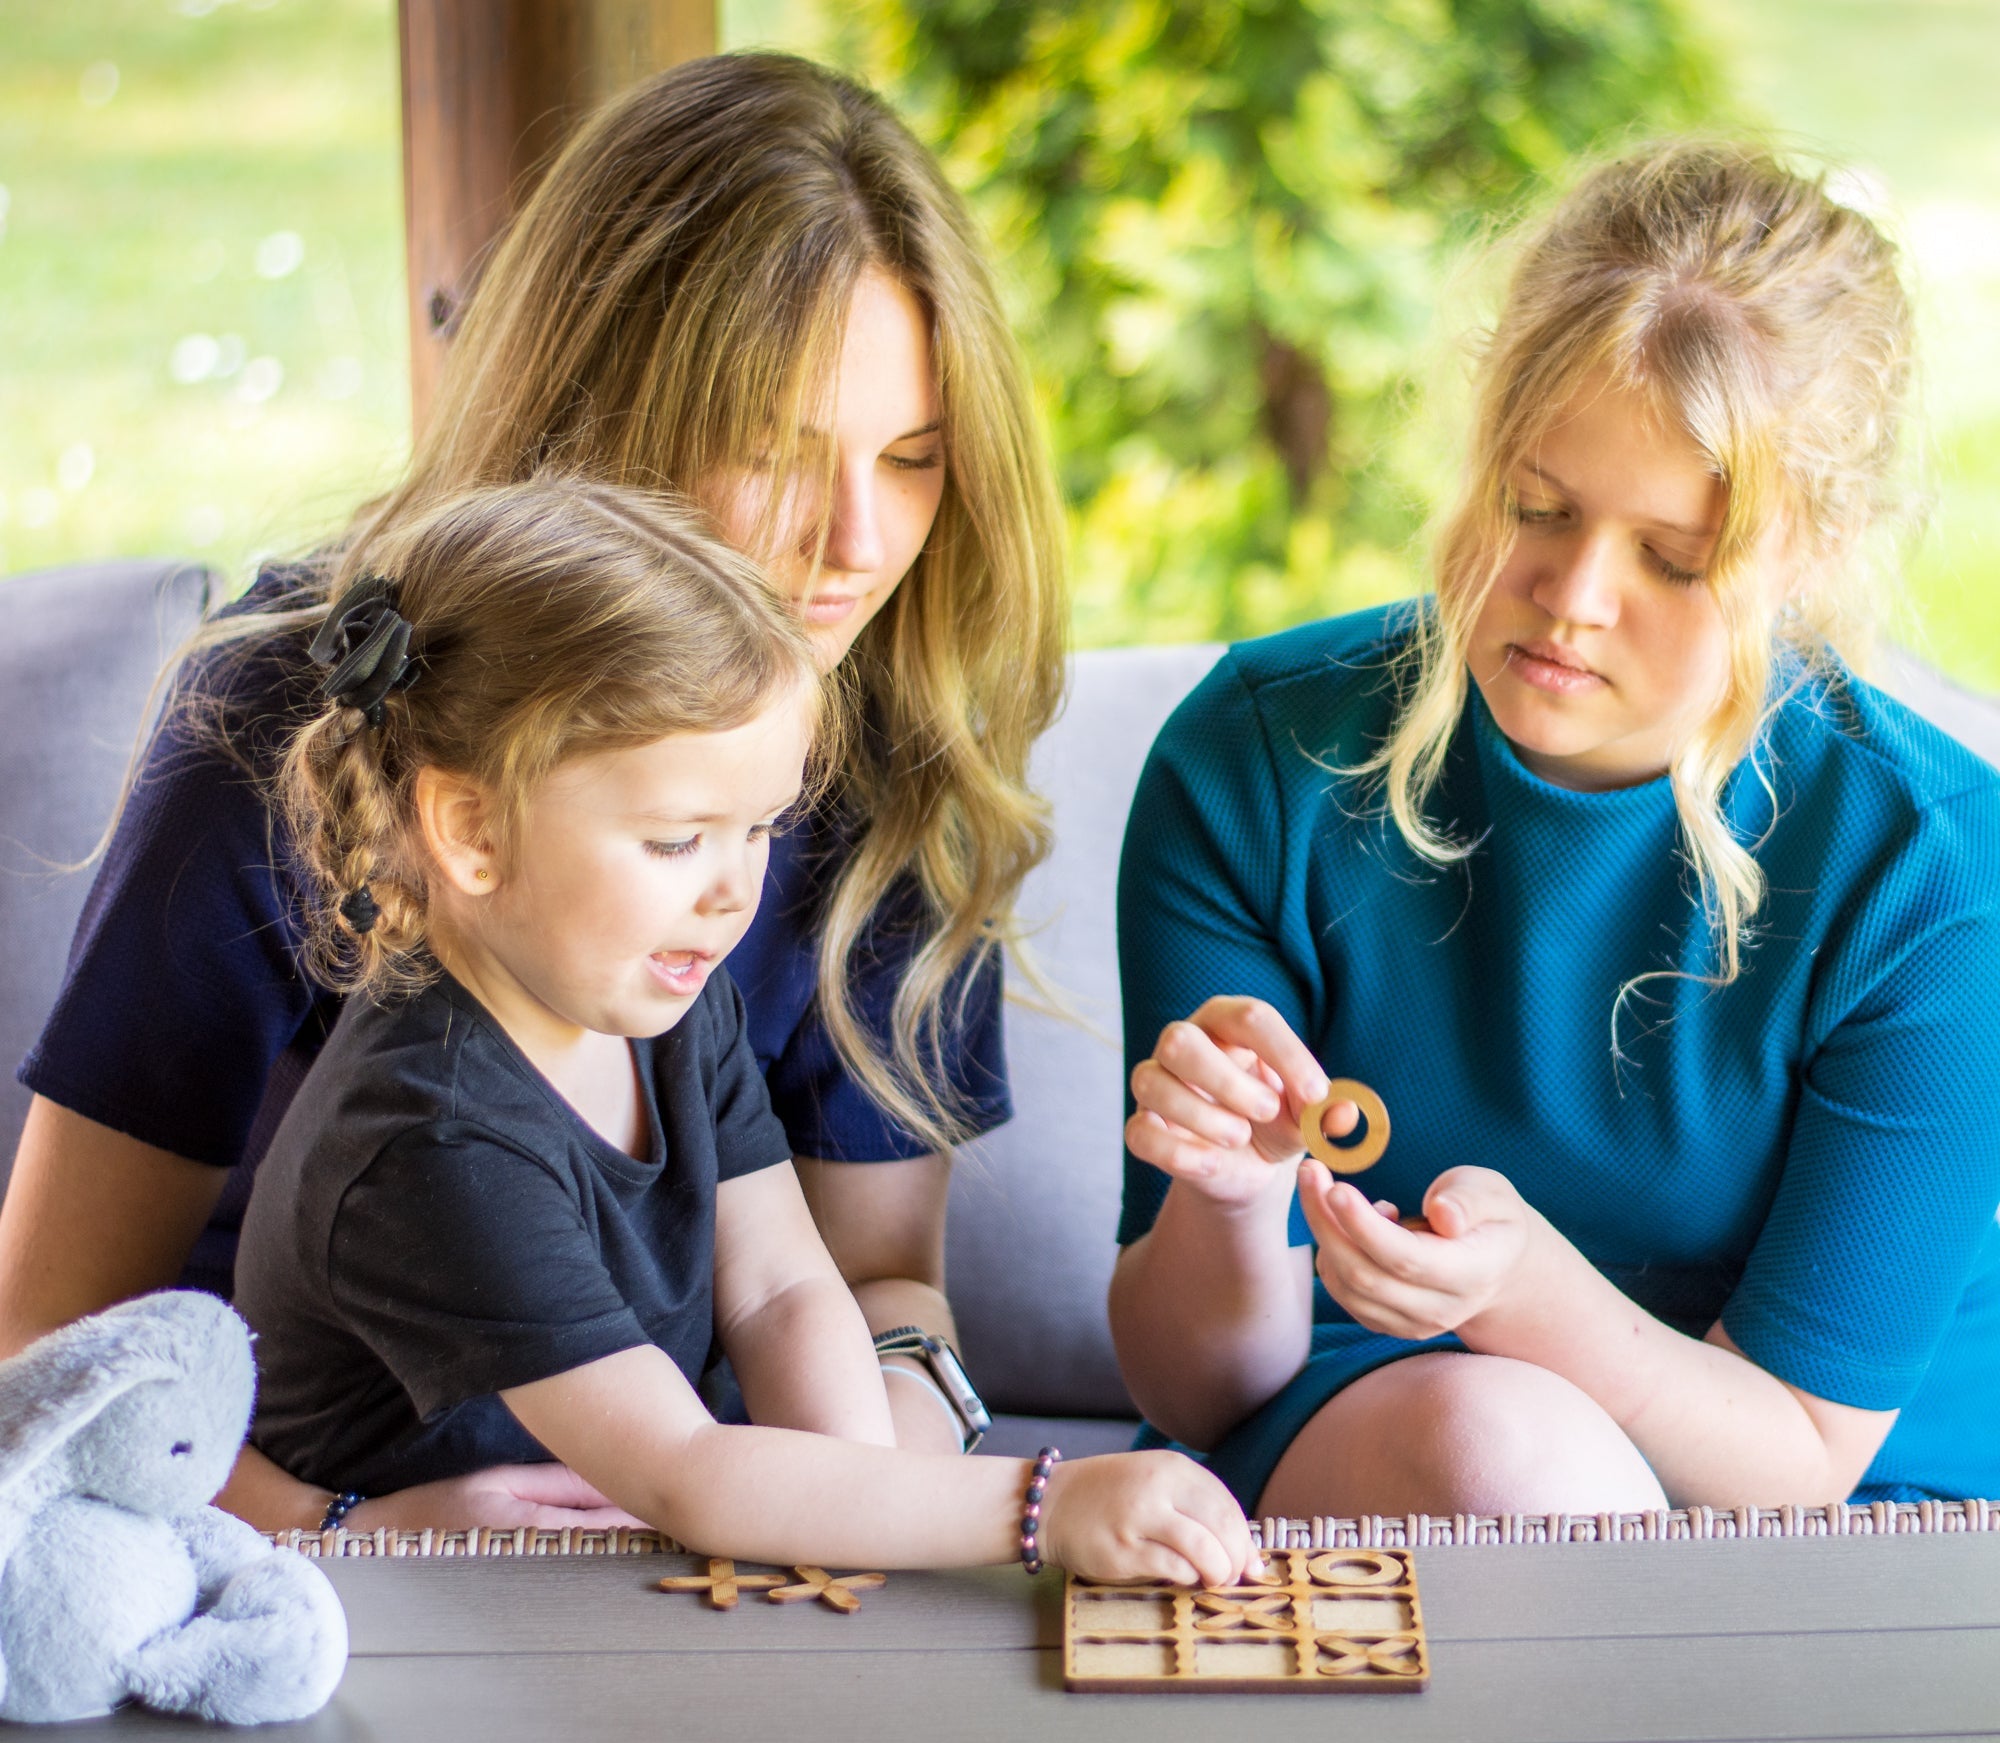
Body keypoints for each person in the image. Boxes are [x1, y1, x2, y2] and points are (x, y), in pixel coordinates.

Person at [0, 54, 1068, 1532]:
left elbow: (866, 1278)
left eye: (916, 459)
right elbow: (55, 1337)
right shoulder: (309, 706)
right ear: (601, 407)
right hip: (272, 1523)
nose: (855, 542)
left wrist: (882, 1481)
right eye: (778, 453)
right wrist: (343, 1537)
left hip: (685, 1529)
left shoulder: (889, 746)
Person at [1109, 139, 2000, 1520]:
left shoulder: (1932, 867)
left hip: (1842, 1491)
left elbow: (1801, 1452)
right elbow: (1196, 1390)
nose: (1572, 596)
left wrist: (1532, 1299)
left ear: (1814, 556)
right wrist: (1229, 1195)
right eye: (1539, 506)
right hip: (1415, 1436)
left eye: (1673, 558)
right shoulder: (1254, 761)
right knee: (1505, 1456)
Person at [231, 476, 1248, 1584]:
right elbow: (685, 1469)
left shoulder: (659, 992)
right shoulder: (428, 1135)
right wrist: (1040, 1503)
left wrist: (871, 1507)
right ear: (471, 827)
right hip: (426, 1610)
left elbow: (777, 1286)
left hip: (631, 1561)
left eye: (759, 827)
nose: (733, 895)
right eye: (677, 839)